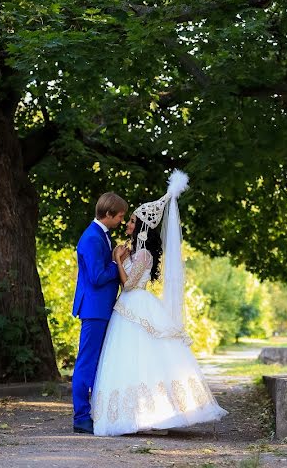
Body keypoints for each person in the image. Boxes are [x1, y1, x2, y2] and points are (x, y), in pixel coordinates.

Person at [91, 170, 227, 436]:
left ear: (141, 227)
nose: (127, 225)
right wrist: (120, 256)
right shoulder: (133, 250)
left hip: (136, 304)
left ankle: (156, 415)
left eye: (131, 222)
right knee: (129, 360)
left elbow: (129, 284)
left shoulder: (143, 254)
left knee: (145, 358)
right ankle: (135, 415)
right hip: (127, 308)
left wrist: (117, 261)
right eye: (127, 221)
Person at [71, 191, 128, 434]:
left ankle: (93, 412)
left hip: (101, 308)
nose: (121, 222)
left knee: (96, 362)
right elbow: (96, 277)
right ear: (108, 214)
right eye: (120, 217)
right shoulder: (92, 238)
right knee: (87, 362)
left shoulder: (101, 235)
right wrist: (117, 264)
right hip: (94, 309)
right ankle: (81, 417)